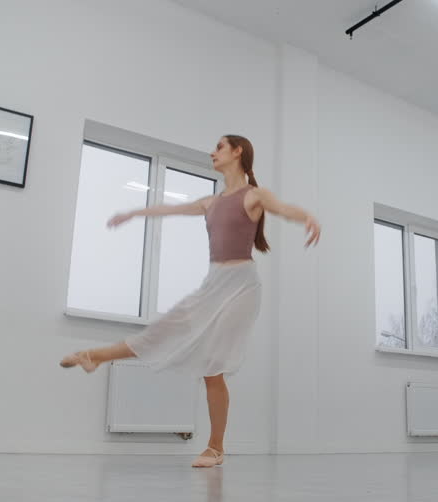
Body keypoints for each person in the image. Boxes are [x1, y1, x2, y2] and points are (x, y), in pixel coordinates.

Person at [60, 134, 320, 468]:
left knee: (214, 365)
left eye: (220, 147)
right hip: (214, 283)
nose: (213, 152)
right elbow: (170, 208)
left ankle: (215, 447)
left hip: (242, 286)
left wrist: (308, 218)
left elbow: (284, 209)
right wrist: (134, 213)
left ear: (238, 151)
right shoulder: (210, 202)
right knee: (163, 329)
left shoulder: (254, 195)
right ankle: (94, 356)